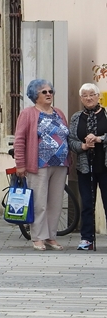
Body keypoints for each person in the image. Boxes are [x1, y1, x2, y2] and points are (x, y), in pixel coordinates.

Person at [14, 79, 70, 251]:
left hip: (60, 163)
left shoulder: (59, 112)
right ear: (35, 96)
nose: (48, 94)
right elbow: (19, 140)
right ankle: (38, 236)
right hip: (38, 165)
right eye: (44, 92)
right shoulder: (28, 113)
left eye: (50, 91)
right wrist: (20, 164)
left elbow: (66, 135)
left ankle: (51, 237)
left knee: (55, 202)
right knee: (39, 202)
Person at [68, 83, 107, 251]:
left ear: (98, 96)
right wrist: (83, 146)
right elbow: (70, 140)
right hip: (85, 167)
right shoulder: (76, 117)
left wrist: (99, 139)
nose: (89, 98)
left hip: (105, 166)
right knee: (87, 203)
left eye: (92, 94)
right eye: (85, 95)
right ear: (81, 98)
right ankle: (86, 239)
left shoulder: (105, 114)